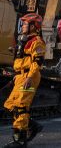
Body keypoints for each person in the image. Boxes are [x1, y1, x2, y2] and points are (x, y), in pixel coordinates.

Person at [3, 14, 45, 148]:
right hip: (21, 76)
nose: (23, 26)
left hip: (29, 77)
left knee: (21, 107)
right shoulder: (24, 40)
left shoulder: (37, 41)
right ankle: (33, 126)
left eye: (26, 24)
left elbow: (37, 62)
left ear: (33, 26)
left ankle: (20, 141)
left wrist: (29, 77)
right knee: (11, 105)